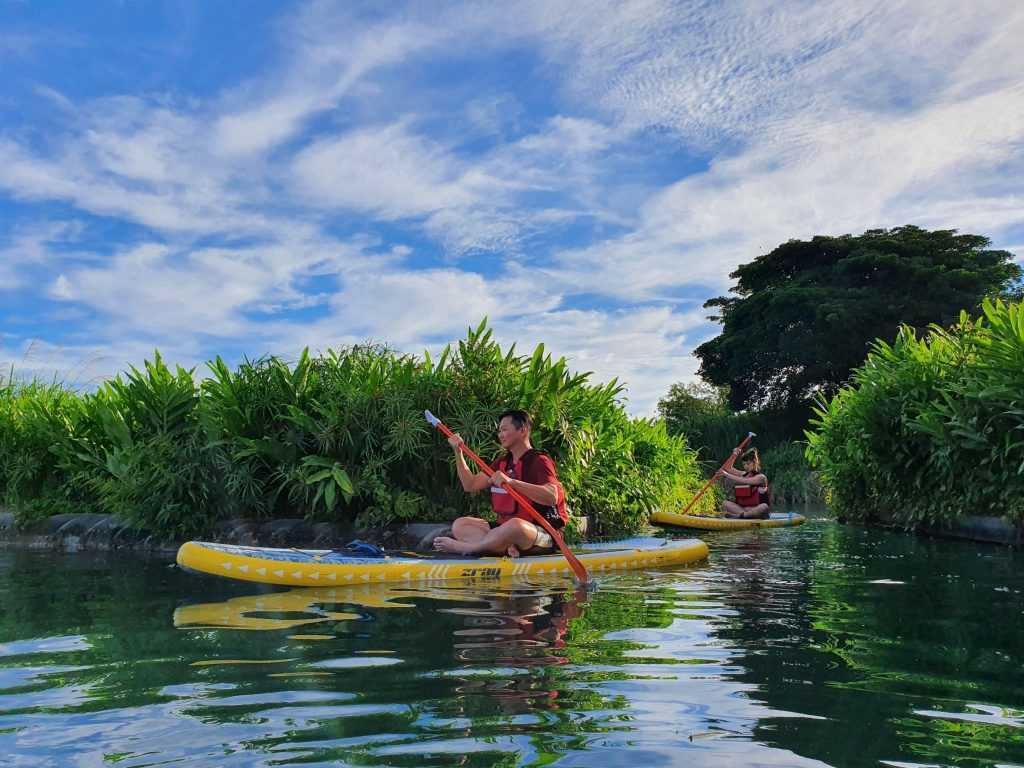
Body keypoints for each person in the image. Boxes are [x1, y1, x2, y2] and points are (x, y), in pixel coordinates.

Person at [433, 409, 568, 557]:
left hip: (543, 535)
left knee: (515, 526)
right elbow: (470, 485)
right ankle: (506, 547)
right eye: (499, 431)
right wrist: (458, 453)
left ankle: (470, 548)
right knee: (461, 525)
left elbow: (551, 496)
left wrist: (512, 482)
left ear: (522, 430)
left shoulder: (540, 461)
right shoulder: (502, 462)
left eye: (504, 430)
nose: (500, 435)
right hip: (505, 529)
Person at [717, 446, 771, 519]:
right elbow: (727, 468)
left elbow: (745, 481)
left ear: (755, 462)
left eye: (748, 464)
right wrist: (734, 455)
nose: (746, 466)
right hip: (742, 510)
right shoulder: (743, 474)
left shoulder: (761, 477)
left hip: (757, 511)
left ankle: (741, 516)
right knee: (725, 503)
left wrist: (726, 474)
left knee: (764, 506)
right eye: (744, 464)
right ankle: (744, 515)